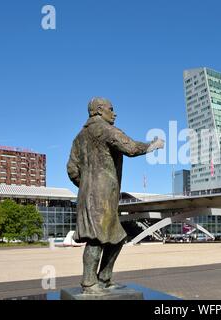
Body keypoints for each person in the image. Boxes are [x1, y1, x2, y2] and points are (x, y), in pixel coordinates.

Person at [67, 97, 164, 294]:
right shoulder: (104, 129)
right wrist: (153, 145)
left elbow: (71, 169)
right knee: (97, 238)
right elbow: (130, 147)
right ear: (100, 110)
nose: (115, 113)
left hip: (91, 194)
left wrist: (87, 186)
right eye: (111, 109)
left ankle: (104, 278)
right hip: (101, 195)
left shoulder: (79, 137)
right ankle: (89, 283)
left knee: (117, 237)